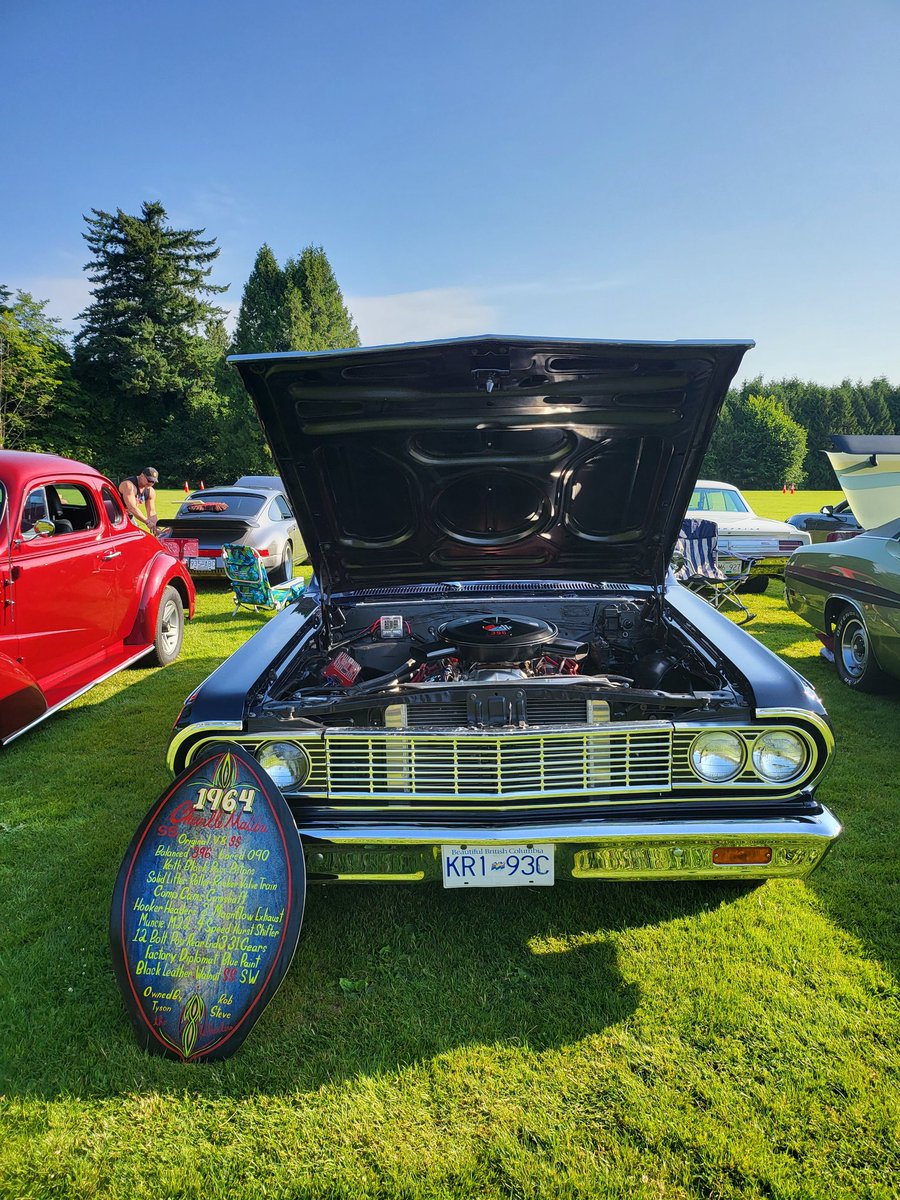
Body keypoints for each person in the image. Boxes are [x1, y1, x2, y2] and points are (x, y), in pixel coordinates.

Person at [120, 467, 159, 535]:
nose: (151, 483)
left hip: (128, 516)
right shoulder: (129, 486)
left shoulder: (150, 491)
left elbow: (151, 511)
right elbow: (132, 507)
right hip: (115, 516)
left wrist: (155, 527)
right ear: (142, 476)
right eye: (149, 480)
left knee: (136, 536)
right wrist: (147, 522)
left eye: (153, 482)